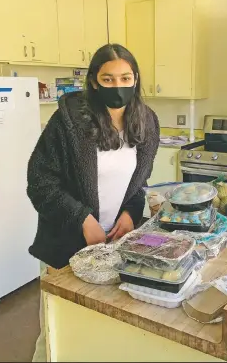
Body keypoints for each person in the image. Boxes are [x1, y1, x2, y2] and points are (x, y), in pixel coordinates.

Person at [26, 43, 160, 361]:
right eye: (108, 79)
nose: (118, 86)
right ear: (95, 81)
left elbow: (139, 184)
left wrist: (130, 213)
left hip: (116, 244)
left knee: (103, 328)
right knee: (57, 328)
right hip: (66, 243)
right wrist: (82, 220)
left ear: (136, 79)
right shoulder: (69, 123)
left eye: (125, 78)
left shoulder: (147, 122)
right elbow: (40, 183)